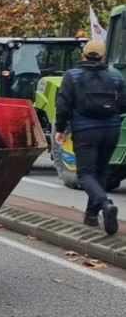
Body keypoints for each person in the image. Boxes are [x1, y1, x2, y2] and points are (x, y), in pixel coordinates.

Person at [54, 40, 126, 235]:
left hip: (85, 131)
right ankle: (91, 216)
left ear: (83, 55)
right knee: (101, 173)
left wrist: (60, 129)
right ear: (103, 57)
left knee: (85, 175)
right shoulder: (115, 77)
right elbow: (123, 104)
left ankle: (105, 204)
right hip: (111, 131)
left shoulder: (73, 75)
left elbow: (63, 106)